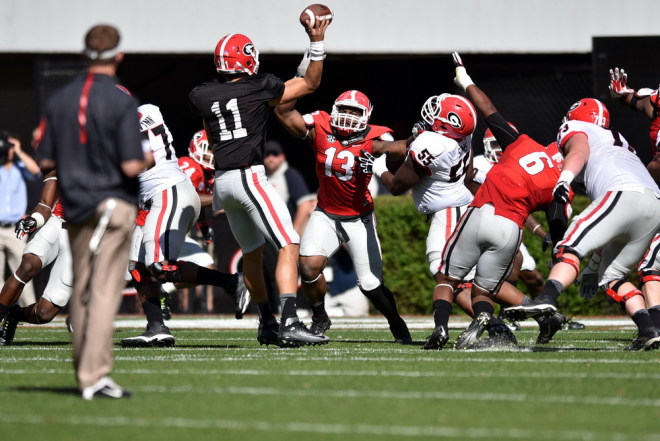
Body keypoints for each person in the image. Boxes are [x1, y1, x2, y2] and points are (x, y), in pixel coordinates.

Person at [189, 18, 331, 347]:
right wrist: (317, 41)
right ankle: (290, 320)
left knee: (252, 254)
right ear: (247, 58)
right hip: (248, 176)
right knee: (288, 244)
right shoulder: (259, 86)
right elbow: (309, 84)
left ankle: (266, 321)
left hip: (223, 180)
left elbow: (211, 137)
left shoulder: (202, 94)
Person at [424, 52, 572, 350]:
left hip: (482, 212)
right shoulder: (559, 185)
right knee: (483, 291)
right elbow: (559, 236)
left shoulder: (523, 144)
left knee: (446, 279)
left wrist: (465, 80)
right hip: (511, 231)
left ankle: (440, 329)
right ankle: (491, 326)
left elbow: (488, 108)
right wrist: (558, 258)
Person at [36, 24, 145, 399]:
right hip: (111, 204)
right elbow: (132, 165)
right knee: (100, 293)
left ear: (83, 56)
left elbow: (45, 159)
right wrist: (148, 156)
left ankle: (87, 374)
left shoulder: (60, 98)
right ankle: (93, 377)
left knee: (83, 290)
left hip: (76, 209)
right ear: (119, 57)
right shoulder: (121, 101)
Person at [503, 96, 660, 351]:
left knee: (568, 245)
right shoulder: (619, 142)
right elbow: (607, 229)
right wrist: (593, 266)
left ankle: (547, 298)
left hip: (623, 193)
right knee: (611, 276)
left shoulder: (577, 129)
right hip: (654, 202)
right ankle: (648, 330)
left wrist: (564, 180)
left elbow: (579, 151)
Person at [275, 89, 413, 343]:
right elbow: (284, 113)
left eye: (355, 111)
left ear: (366, 116)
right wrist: (295, 85)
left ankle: (396, 322)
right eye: (345, 110)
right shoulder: (320, 125)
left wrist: (416, 138)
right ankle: (320, 317)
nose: (348, 116)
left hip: (359, 219)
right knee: (307, 267)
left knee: (371, 285)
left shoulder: (375, 137)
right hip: (325, 214)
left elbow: (399, 148)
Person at [121, 105, 249, 348]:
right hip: (162, 197)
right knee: (139, 268)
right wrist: (204, 222)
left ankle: (232, 282)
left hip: (165, 193)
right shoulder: (148, 111)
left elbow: (140, 160)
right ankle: (156, 326)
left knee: (158, 266)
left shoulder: (124, 124)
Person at [0, 171, 72, 345]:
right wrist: (35, 219)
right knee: (27, 266)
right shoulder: (66, 155)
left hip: (83, 238)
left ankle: (14, 314)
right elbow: (45, 204)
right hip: (57, 224)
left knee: (44, 313)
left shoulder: (116, 164)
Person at [262, 139, 317, 312]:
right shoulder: (263, 177)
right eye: (267, 155)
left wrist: (293, 232)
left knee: (294, 270)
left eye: (275, 154)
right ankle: (278, 305)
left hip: (285, 234)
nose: (270, 158)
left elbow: (304, 204)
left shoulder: (290, 175)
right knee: (271, 272)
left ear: (282, 157)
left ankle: (299, 306)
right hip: (270, 234)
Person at [0, 132, 41, 310]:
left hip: (15, 230)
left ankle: (29, 312)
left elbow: (36, 170)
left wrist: (17, 150)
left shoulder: (19, 167)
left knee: (23, 272)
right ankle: (3, 313)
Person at [607, 67, 660, 180]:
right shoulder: (655, 104)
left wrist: (639, 178)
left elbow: (656, 167)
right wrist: (621, 94)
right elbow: (635, 101)